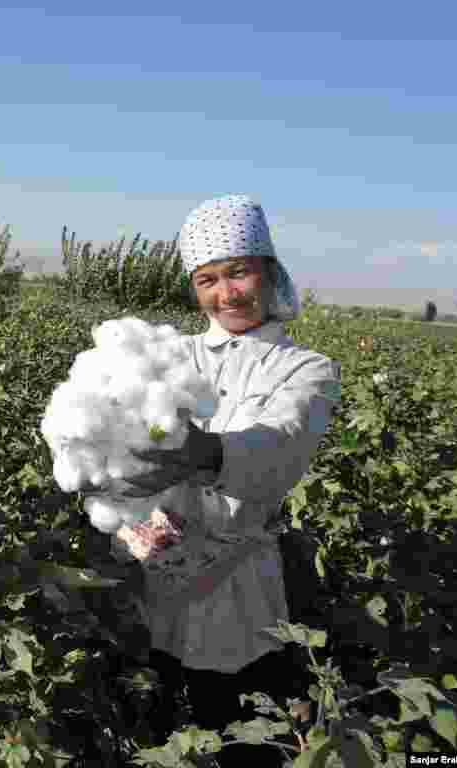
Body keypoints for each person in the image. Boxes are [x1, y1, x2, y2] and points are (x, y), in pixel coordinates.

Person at [111, 194, 341, 762]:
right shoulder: (172, 353)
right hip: (152, 571)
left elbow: (279, 445)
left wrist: (198, 451)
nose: (227, 293)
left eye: (238, 272)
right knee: (157, 729)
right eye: (207, 279)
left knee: (236, 730)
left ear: (268, 270)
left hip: (239, 594)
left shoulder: (305, 369)